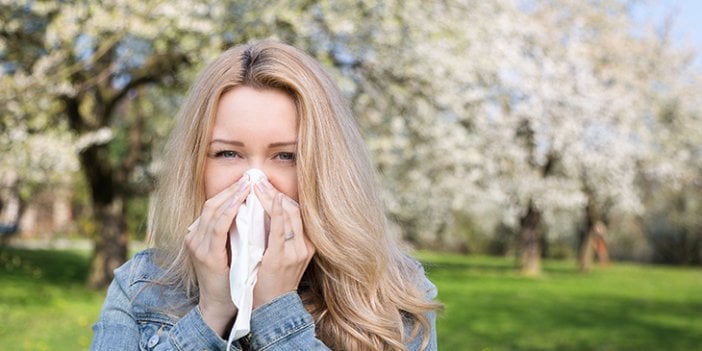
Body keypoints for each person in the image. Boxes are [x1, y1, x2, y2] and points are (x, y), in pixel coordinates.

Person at [90, 40, 441, 351]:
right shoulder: (141, 286)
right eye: (228, 153)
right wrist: (211, 313)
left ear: (324, 167)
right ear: (197, 163)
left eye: (286, 156)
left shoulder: (391, 292)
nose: (254, 181)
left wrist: (275, 311)